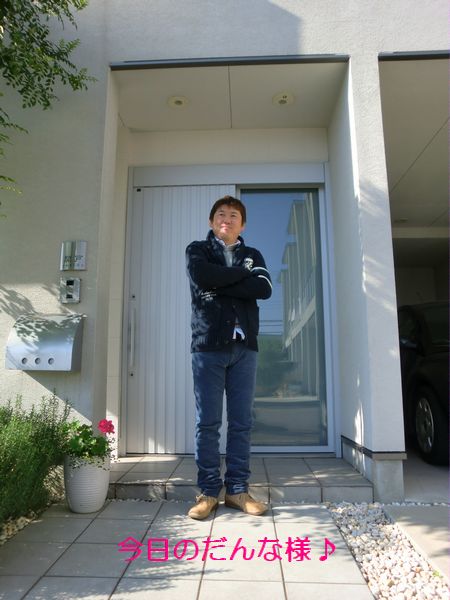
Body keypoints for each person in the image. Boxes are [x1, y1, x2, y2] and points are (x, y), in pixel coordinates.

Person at [185, 195, 272, 520]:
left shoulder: (253, 254)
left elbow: (263, 289)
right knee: (207, 423)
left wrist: (222, 280)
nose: (227, 218)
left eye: (234, 215)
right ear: (212, 221)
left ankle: (237, 490)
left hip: (244, 348)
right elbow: (202, 277)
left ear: (242, 224)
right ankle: (208, 492)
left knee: (241, 423)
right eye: (221, 214)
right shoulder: (198, 250)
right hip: (208, 347)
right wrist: (241, 277)